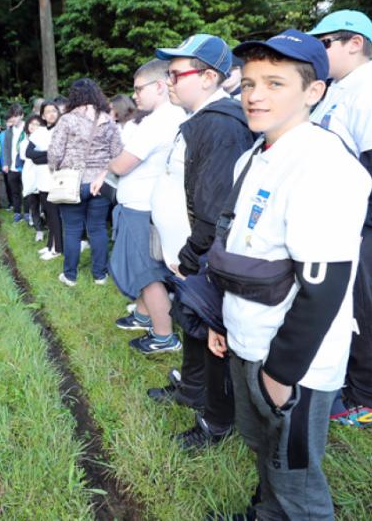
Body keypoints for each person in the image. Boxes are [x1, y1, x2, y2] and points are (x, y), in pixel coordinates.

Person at [210, 29, 371, 521]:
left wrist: (281, 374)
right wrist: (222, 320)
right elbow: (238, 247)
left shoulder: (323, 165)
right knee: (264, 452)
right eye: (249, 82)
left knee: (295, 475)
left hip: (293, 363)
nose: (255, 95)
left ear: (313, 92)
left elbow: (324, 286)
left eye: (275, 83)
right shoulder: (254, 154)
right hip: (246, 339)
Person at [153, 33, 255, 450]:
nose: (170, 82)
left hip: (203, 257)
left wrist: (191, 255)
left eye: (177, 73)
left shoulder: (220, 126)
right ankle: (192, 390)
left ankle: (215, 420)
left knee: (214, 334)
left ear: (210, 76)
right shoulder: (203, 120)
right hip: (190, 258)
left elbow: (215, 209)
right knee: (194, 325)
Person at [308, 10, 372, 428]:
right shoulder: (337, 88)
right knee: (340, 302)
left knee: (361, 304)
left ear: (355, 43)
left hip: (364, 219)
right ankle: (349, 381)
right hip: (336, 215)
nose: (319, 50)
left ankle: (371, 398)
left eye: (324, 42)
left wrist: (362, 225)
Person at [103, 60, 190, 355]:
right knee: (148, 266)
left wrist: (108, 162)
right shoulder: (177, 116)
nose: (135, 95)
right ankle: (142, 315)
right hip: (152, 204)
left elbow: (123, 163)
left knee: (147, 273)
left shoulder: (157, 121)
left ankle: (164, 336)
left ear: (159, 87)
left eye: (139, 89)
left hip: (140, 206)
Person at [47, 78, 123, 287]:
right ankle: (100, 275)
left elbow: (54, 152)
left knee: (71, 229)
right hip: (101, 182)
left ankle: (70, 276)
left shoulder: (67, 120)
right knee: (97, 228)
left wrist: (56, 171)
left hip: (72, 181)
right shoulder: (108, 120)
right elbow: (117, 153)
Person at [28, 101, 63, 260]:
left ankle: (57, 248)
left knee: (55, 214)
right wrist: (48, 154)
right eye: (47, 112)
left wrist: (43, 155)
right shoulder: (40, 132)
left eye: (54, 111)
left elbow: (59, 156)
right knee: (48, 214)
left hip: (56, 179)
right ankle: (50, 245)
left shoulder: (62, 130)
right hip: (41, 179)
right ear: (42, 115)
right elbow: (30, 154)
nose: (51, 114)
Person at [0, 104, 27, 221]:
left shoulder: (28, 128)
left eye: (16, 116)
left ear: (22, 115)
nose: (13, 119)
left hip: (26, 166)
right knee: (14, 191)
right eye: (12, 116)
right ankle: (17, 212)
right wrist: (5, 163)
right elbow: (5, 148)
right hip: (12, 167)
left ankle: (27, 212)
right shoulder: (9, 131)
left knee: (26, 190)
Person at [20, 115, 45, 239]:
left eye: (37, 124)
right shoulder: (24, 143)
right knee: (33, 203)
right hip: (30, 174)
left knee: (45, 203)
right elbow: (28, 156)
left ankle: (49, 226)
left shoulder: (44, 140)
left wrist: (37, 155)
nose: (33, 126)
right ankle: (38, 230)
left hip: (43, 173)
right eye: (31, 123)